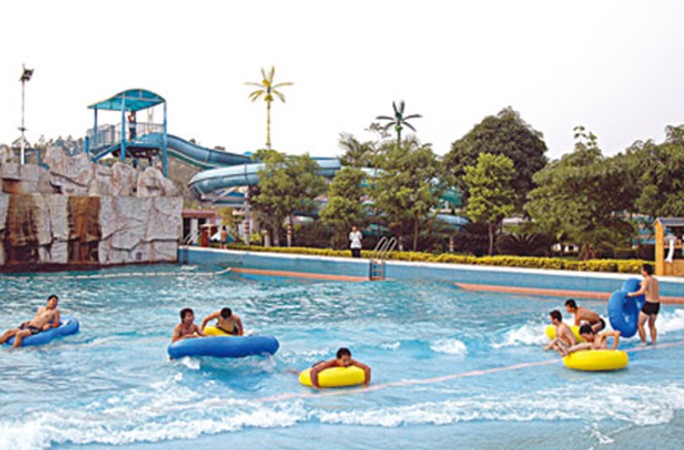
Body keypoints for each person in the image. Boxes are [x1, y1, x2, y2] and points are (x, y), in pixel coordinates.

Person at [628, 263, 660, 345]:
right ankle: (654, 342)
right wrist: (641, 284)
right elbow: (648, 287)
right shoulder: (655, 280)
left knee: (640, 324)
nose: (641, 272)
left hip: (648, 304)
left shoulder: (646, 280)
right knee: (652, 325)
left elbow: (641, 292)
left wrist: (631, 294)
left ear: (645, 271)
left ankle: (644, 342)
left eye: (642, 270)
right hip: (656, 304)